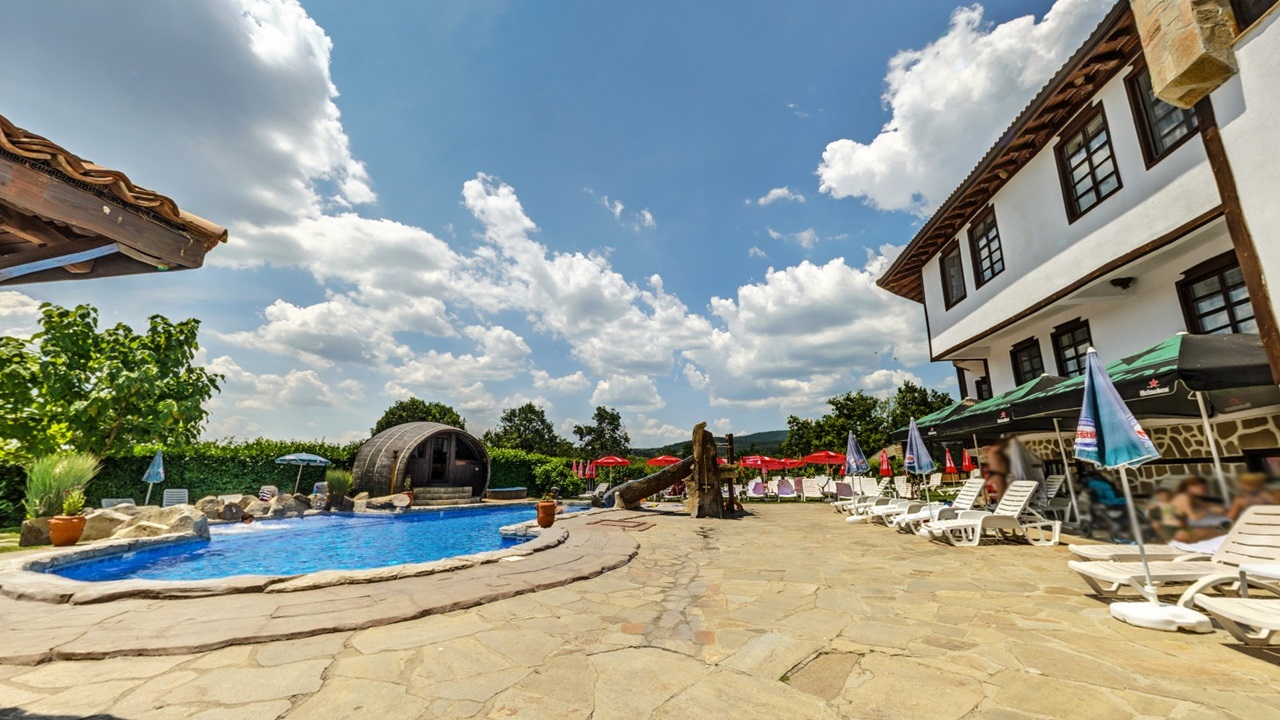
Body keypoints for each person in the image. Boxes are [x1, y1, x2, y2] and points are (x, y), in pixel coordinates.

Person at [1170, 476, 1230, 543]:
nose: (1205, 490)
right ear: (1189, 487)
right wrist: (1208, 511)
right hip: (1175, 530)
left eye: (1205, 488)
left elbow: (1207, 506)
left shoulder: (1190, 497)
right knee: (1218, 533)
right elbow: (1194, 517)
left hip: (1183, 527)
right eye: (1202, 488)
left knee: (1216, 531)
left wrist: (1220, 509)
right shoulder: (1184, 497)